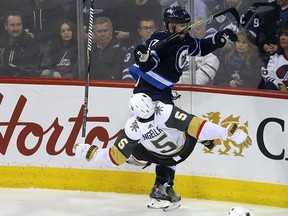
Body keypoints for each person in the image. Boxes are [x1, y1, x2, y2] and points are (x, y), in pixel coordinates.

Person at [126, 5, 238, 210]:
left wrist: (219, 39)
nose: (185, 27)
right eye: (180, 24)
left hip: (163, 92)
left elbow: (201, 47)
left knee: (169, 136)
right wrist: (143, 57)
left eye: (186, 24)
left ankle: (160, 180)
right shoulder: (159, 38)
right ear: (169, 25)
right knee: (170, 133)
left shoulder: (185, 40)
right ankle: (144, 159)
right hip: (149, 91)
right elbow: (149, 62)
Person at [73, 93, 252, 210]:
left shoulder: (132, 127)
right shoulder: (165, 110)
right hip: (185, 149)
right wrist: (227, 133)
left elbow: (115, 158)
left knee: (132, 152)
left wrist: (91, 152)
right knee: (192, 127)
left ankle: (138, 162)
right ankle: (203, 140)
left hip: (162, 157)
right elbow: (198, 125)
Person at [243, 0, 288, 65]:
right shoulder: (269, 9)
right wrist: (264, 45)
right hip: (266, 55)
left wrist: (279, 48)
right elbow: (261, 31)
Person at [179, 16, 220, 85]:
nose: (194, 32)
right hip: (176, 92)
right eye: (190, 29)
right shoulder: (177, 52)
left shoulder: (211, 56)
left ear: (205, 30)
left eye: (198, 29)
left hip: (198, 94)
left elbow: (199, 82)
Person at [0, 10, 40, 77]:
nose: (16, 28)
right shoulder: (1, 43)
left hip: (20, 84)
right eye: (12, 25)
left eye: (18, 24)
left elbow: (30, 71)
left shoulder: (30, 45)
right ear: (5, 26)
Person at [260, 25, 288, 91]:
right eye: (281, 35)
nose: (282, 38)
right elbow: (267, 74)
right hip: (278, 95)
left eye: (286, 35)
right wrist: (280, 85)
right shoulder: (275, 57)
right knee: (269, 85)